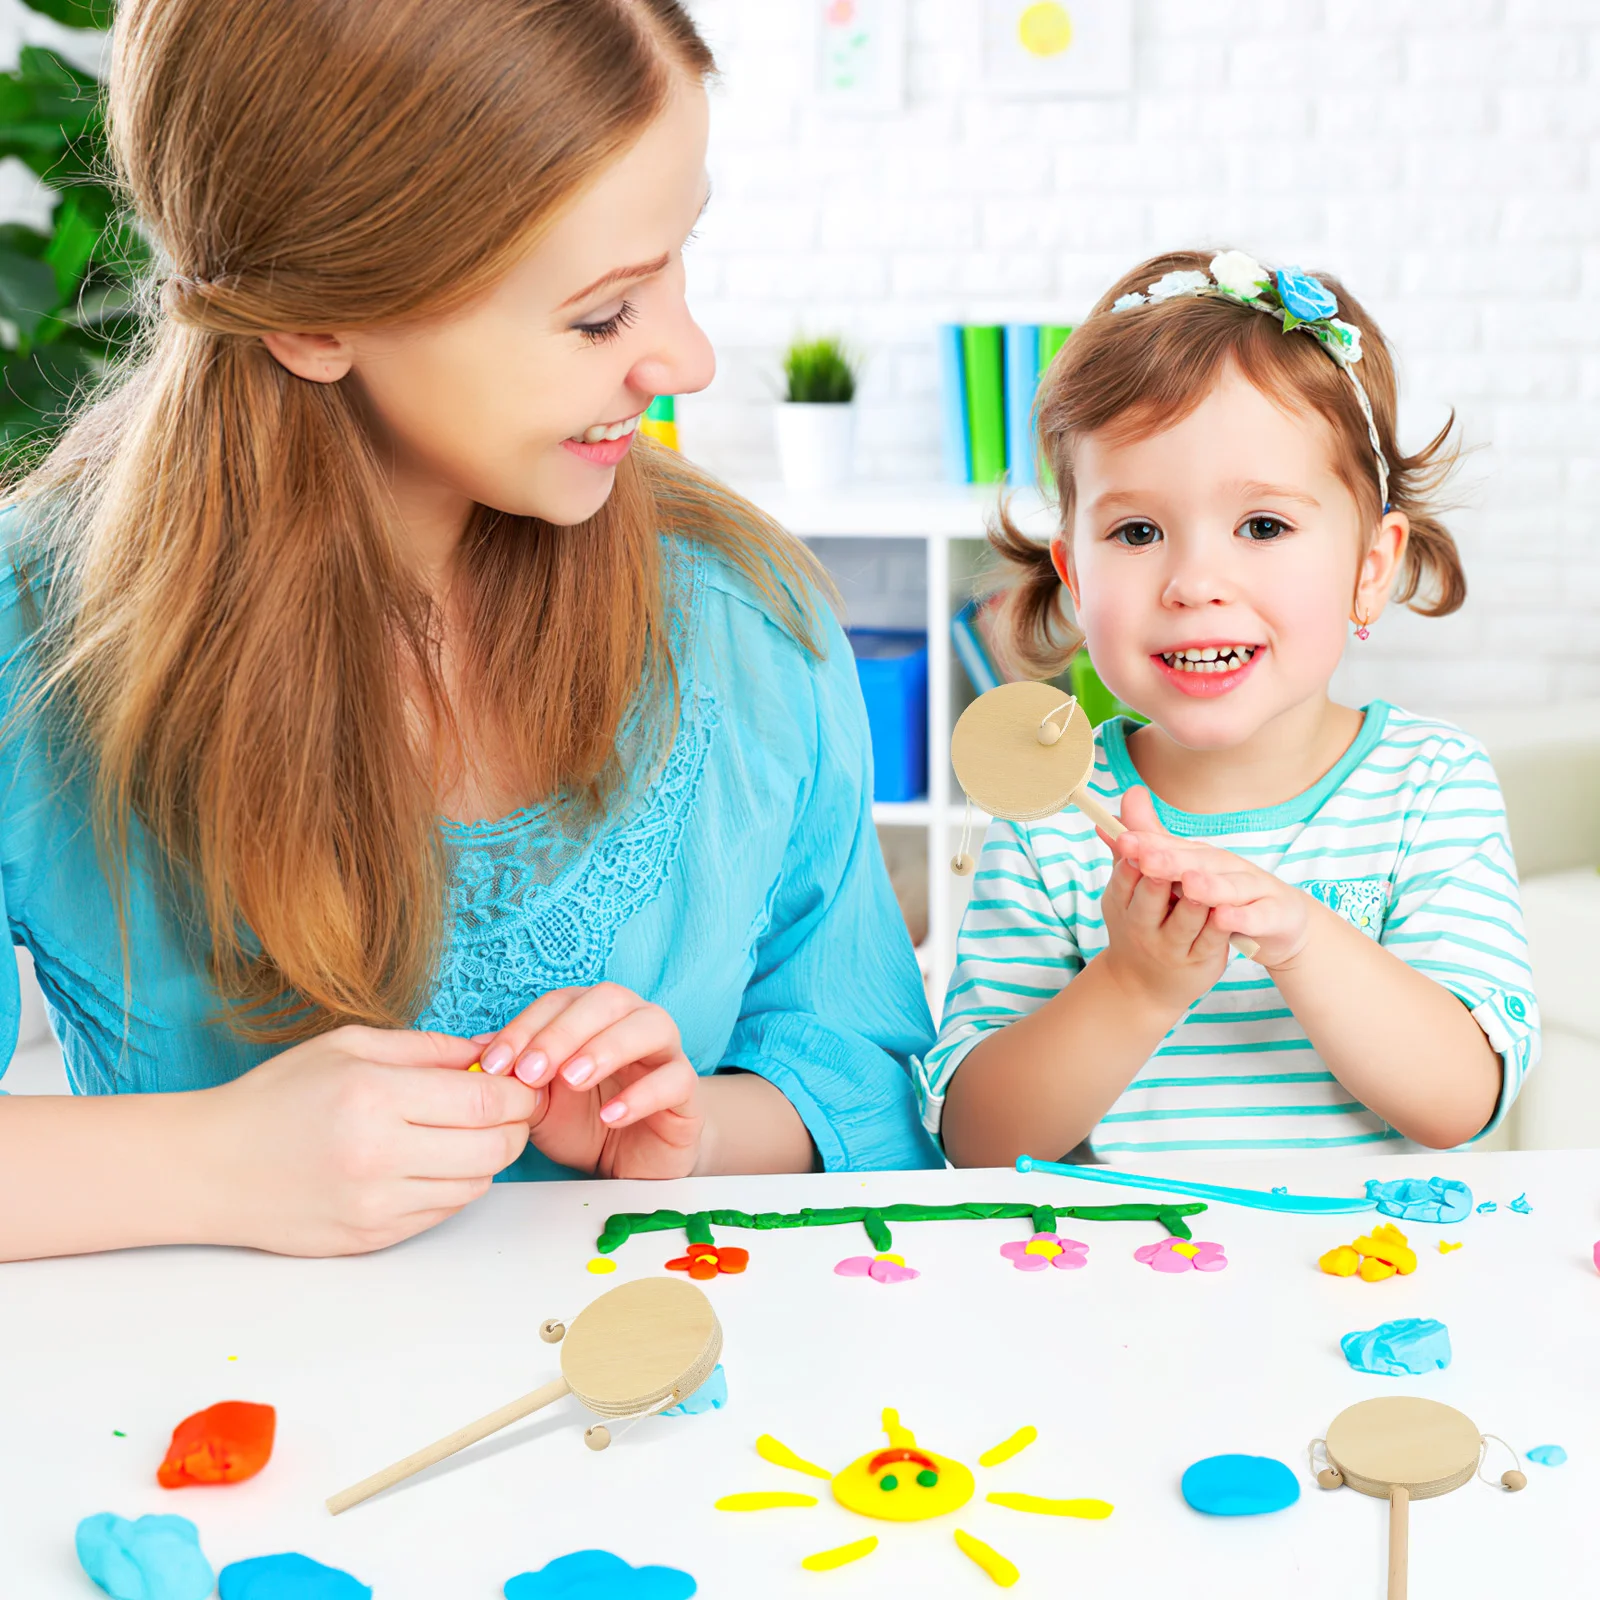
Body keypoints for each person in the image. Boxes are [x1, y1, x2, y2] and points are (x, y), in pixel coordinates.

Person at [0, 0, 939, 1263]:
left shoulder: (749, 626)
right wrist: (216, 1164)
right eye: (602, 314)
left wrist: (693, 1130)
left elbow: (865, 1090)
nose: (689, 358)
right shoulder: (33, 639)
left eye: (677, 256)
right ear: (315, 321)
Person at [924, 248, 1538, 1168]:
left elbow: (1463, 1101)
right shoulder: (1053, 809)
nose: (1195, 582)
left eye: (1263, 526)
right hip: (1113, 1291)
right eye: (1138, 532)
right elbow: (978, 1142)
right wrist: (1135, 983)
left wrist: (1302, 940)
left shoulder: (1430, 787)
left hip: (1365, 1285)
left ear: (1370, 569)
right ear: (1075, 577)